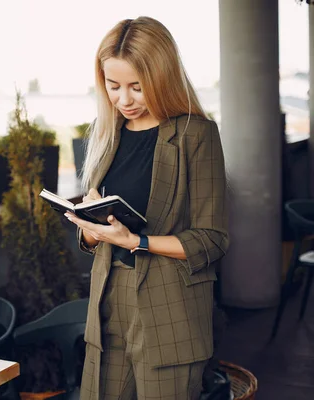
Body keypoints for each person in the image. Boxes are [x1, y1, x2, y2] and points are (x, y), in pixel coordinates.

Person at [65, 17, 229, 400]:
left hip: (169, 306)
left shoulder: (196, 135)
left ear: (162, 77)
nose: (124, 100)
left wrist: (137, 241)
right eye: (114, 86)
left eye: (137, 87)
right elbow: (96, 236)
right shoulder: (108, 135)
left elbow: (213, 240)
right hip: (108, 299)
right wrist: (88, 229)